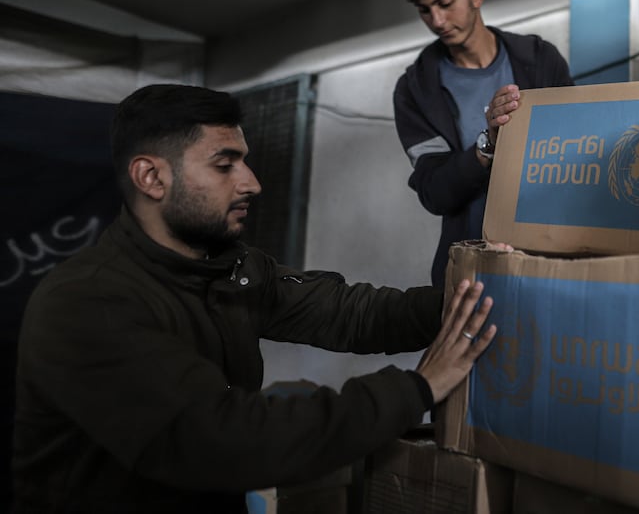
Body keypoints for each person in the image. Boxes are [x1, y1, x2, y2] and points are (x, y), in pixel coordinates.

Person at [11, 84, 498, 513]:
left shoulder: (231, 268)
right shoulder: (89, 303)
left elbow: (349, 312)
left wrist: (474, 303)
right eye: (225, 165)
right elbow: (224, 440)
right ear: (151, 178)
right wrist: (417, 388)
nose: (252, 183)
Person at [394, 0, 574, 288]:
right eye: (424, 10)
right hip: (470, 274)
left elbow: (574, 152)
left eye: (445, 3)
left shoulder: (539, 59)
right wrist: (486, 145)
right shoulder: (415, 90)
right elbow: (434, 192)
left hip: (548, 258)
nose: (438, 21)